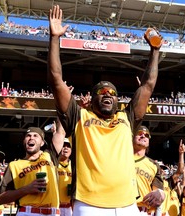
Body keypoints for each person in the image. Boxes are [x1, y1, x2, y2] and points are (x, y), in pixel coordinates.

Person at [48, 5, 162, 216]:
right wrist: (54, 39)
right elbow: (56, 80)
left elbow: (147, 86)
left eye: (112, 92)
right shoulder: (79, 116)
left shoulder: (127, 118)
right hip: (90, 205)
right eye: (101, 91)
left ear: (118, 99)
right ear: (92, 100)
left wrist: (155, 51)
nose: (107, 94)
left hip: (128, 204)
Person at [0, 127, 61, 216]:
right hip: (28, 212)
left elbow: (61, 132)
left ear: (42, 143)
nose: (31, 138)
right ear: (24, 141)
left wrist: (59, 120)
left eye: (35, 136)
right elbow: (0, 199)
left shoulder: (49, 156)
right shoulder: (14, 165)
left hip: (53, 212)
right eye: (28, 136)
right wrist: (27, 189)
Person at [133, 126, 165, 215]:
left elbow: (158, 192)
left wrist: (161, 194)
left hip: (142, 210)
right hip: (119, 207)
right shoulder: (120, 157)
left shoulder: (154, 165)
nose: (143, 136)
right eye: (139, 133)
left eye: (146, 135)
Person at [160, 140, 185, 216]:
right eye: (159, 168)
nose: (161, 170)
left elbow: (180, 171)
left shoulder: (168, 183)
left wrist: (181, 153)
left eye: (163, 168)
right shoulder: (150, 182)